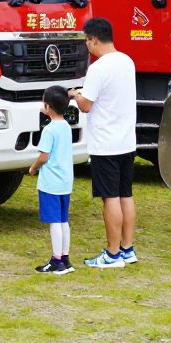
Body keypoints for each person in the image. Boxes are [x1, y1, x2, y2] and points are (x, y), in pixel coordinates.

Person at [69, 17, 137, 268]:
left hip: (106, 143)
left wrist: (76, 95)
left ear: (94, 40)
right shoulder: (126, 61)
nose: (87, 45)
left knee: (110, 197)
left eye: (87, 40)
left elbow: (86, 105)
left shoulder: (98, 68)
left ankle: (112, 253)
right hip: (127, 141)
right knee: (125, 195)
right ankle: (127, 248)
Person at [30, 86, 75, 275]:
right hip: (65, 181)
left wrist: (33, 168)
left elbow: (44, 157)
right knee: (64, 220)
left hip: (51, 183)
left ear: (47, 106)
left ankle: (57, 260)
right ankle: (65, 257)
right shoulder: (66, 126)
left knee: (54, 222)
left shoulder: (49, 130)